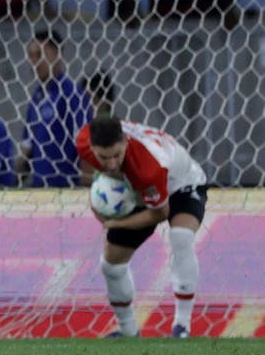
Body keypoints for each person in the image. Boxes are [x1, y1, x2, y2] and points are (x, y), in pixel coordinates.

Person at [76, 116, 209, 338]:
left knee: (180, 237)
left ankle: (182, 327)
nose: (111, 164)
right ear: (91, 147)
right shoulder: (83, 139)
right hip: (135, 190)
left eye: (116, 155)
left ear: (126, 142)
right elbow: (89, 174)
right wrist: (96, 199)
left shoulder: (148, 166)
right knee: (110, 265)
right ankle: (128, 332)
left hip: (183, 184)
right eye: (103, 157)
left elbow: (160, 213)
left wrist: (116, 223)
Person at [21, 28, 93, 186]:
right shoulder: (36, 97)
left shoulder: (73, 94)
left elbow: (87, 147)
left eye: (40, 54)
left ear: (59, 54)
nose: (34, 61)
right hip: (39, 191)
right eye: (31, 55)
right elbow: (28, 148)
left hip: (67, 191)